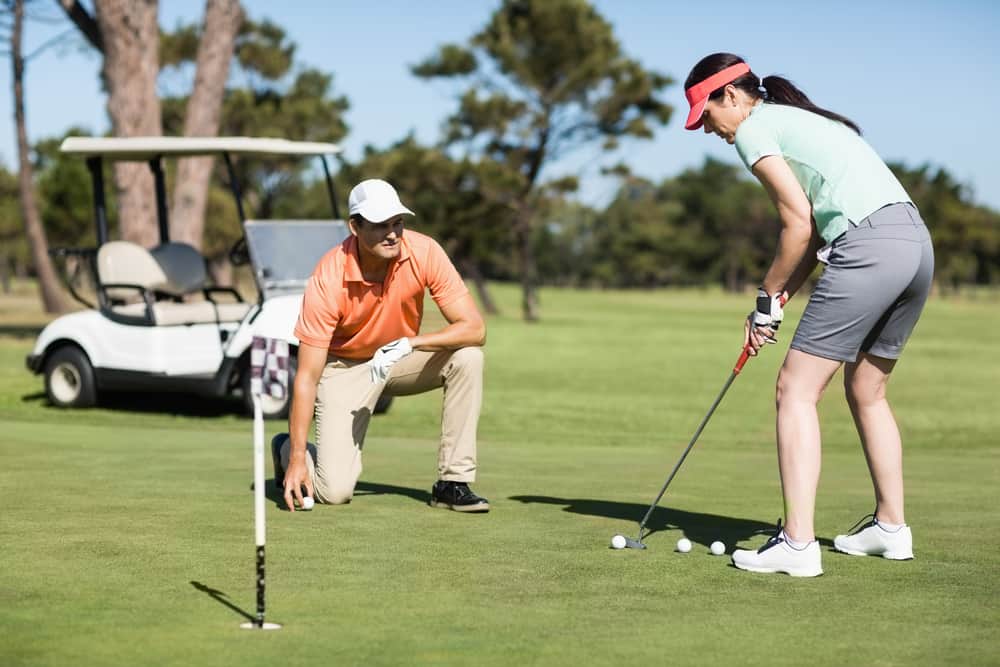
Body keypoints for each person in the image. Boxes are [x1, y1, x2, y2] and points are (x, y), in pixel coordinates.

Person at [683, 53, 934, 576]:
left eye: (706, 116)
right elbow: (817, 231)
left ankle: (797, 544)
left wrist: (762, 297)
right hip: (914, 244)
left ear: (731, 95)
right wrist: (774, 305)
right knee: (867, 389)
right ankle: (892, 529)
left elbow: (796, 226)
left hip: (868, 247)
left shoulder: (755, 127)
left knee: (794, 390)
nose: (709, 131)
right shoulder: (802, 120)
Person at [273, 178, 490, 514]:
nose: (392, 234)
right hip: (344, 369)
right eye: (380, 225)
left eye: (398, 223)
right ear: (355, 227)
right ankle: (287, 449)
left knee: (468, 358)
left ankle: (452, 483)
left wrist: (412, 343)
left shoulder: (424, 252)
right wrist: (299, 456)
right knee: (334, 492)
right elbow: (306, 377)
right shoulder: (328, 276)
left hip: (399, 358)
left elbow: (475, 329)